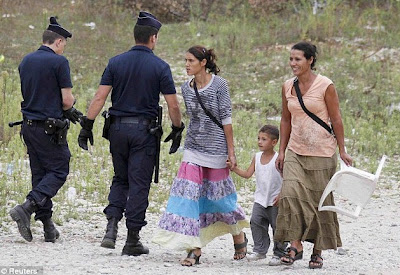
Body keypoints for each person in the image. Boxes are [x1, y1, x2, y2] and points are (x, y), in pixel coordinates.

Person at [77, 11, 183, 256]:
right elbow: (173, 105)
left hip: (116, 129)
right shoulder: (160, 66)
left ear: (135, 36)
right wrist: (177, 129)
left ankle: (111, 227)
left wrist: (87, 125)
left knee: (120, 178)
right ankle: (132, 238)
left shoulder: (116, 62)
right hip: (144, 132)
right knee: (139, 184)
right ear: (153, 38)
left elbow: (100, 97)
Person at [152, 45, 249, 266]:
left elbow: (226, 119)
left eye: (191, 61)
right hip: (193, 147)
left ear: (203, 62)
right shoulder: (186, 88)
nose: (186, 65)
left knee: (221, 199)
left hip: (217, 149)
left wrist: (231, 152)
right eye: (185, 61)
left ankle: (238, 234)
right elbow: (193, 119)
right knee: (188, 197)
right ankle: (194, 249)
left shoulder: (220, 85)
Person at [274, 41, 353, 269]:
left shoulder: (325, 85)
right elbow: (285, 119)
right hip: (296, 150)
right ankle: (296, 244)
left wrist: (342, 149)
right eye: (291, 59)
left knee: (320, 201)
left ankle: (317, 251)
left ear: (310, 60)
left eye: (297, 59)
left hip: (322, 152)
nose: (293, 63)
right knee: (290, 194)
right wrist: (281, 151)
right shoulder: (288, 86)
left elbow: (336, 118)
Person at [9, 16, 82, 243]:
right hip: (49, 129)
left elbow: (35, 93)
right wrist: (69, 108)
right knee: (59, 169)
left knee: (40, 175)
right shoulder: (60, 63)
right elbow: (67, 101)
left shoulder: (26, 61)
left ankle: (48, 228)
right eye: (64, 44)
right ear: (59, 42)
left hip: (28, 127)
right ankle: (27, 207)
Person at [227, 125, 288, 266]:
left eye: (264, 139)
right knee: (256, 222)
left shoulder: (279, 158)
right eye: (259, 138)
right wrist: (234, 168)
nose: (260, 142)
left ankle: (279, 253)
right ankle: (260, 250)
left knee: (278, 227)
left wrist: (281, 194)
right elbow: (248, 174)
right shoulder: (257, 157)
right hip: (260, 199)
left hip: (275, 200)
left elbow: (286, 178)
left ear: (274, 142)